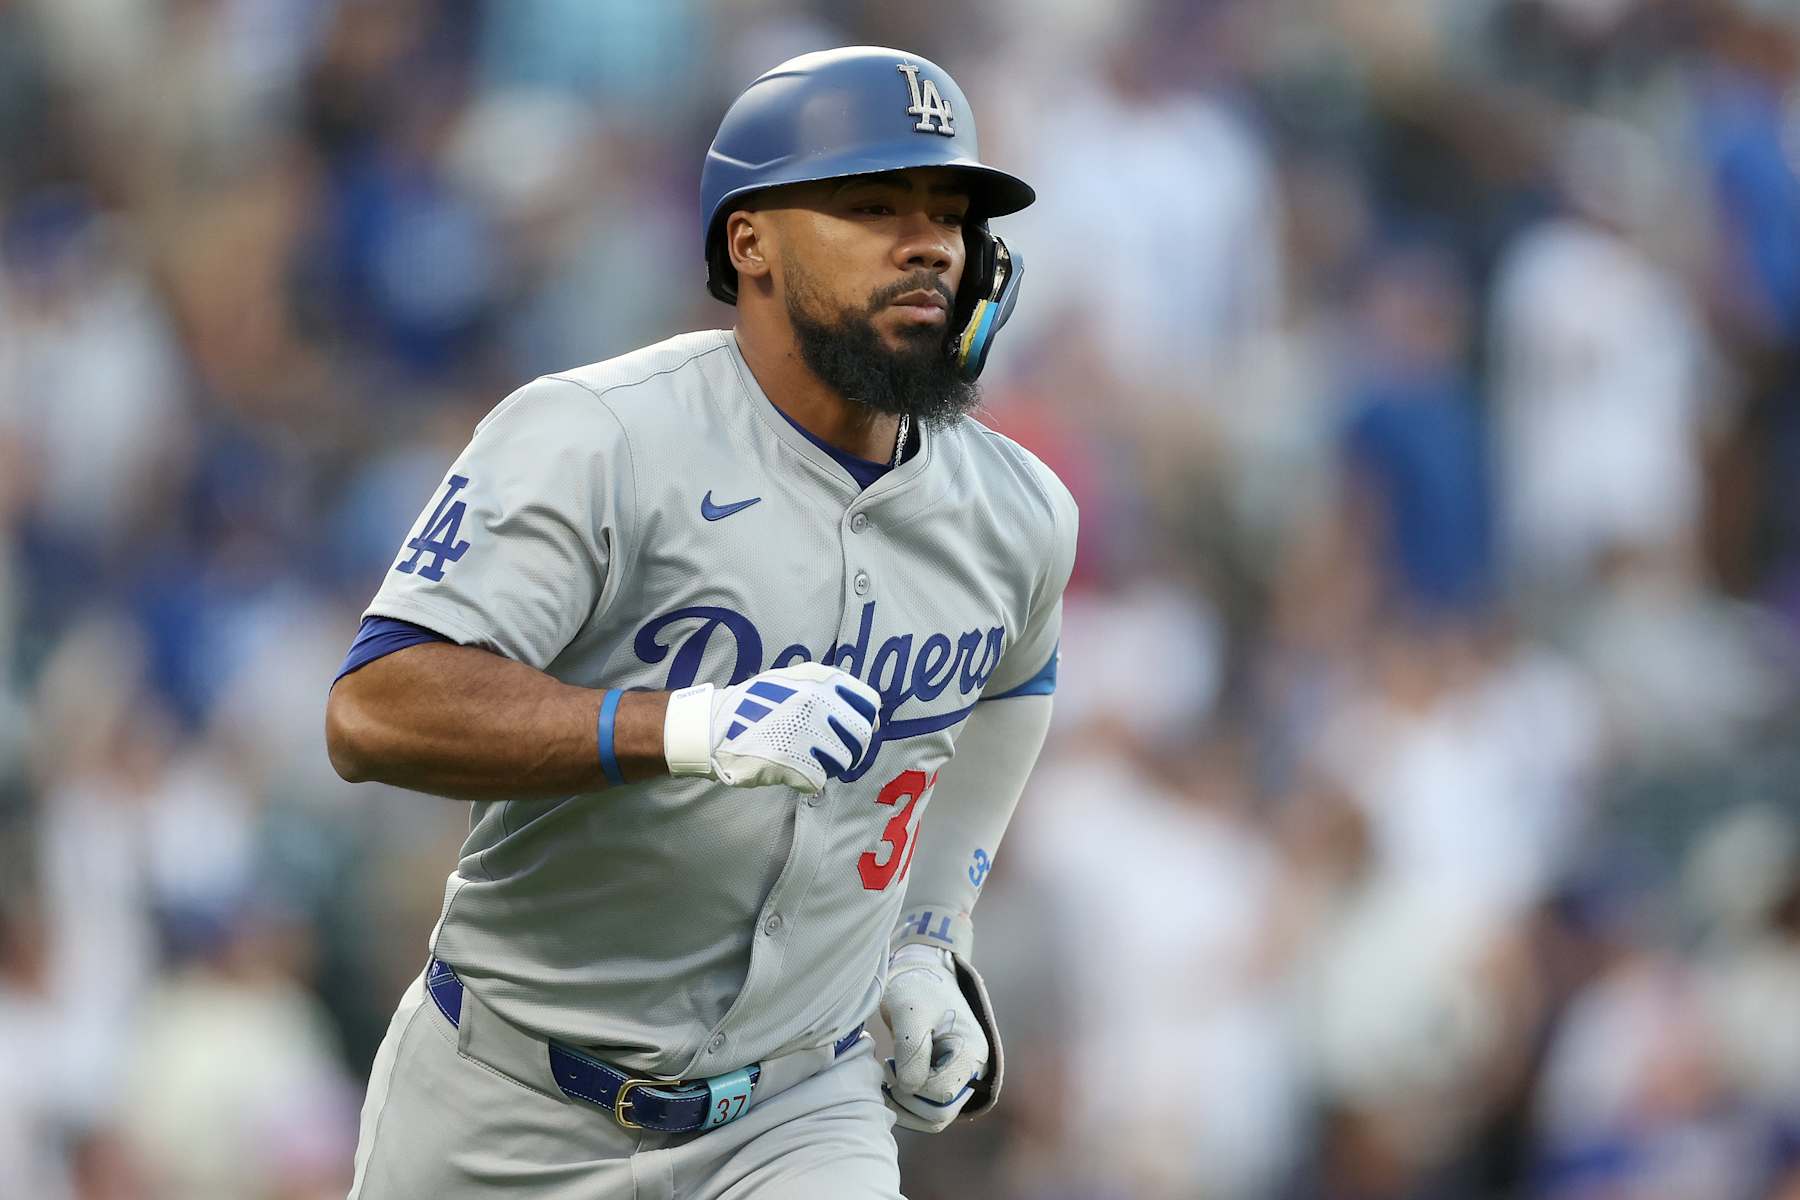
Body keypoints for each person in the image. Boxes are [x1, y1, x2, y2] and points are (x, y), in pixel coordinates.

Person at [324, 46, 1077, 1199]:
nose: (930, 240)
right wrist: (685, 729)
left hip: (798, 1116)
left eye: (951, 211)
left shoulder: (1018, 513)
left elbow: (1015, 681)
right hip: (508, 1104)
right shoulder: (599, 436)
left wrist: (931, 935)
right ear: (750, 241)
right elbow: (374, 712)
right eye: (873, 204)